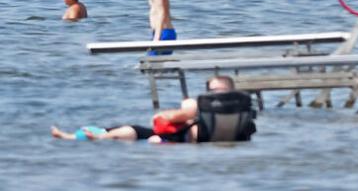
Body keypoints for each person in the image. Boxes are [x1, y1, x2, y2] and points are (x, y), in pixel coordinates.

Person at [50, 74, 253, 143]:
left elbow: (173, 117)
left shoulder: (201, 103)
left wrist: (165, 113)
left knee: (135, 130)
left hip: (182, 139)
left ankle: (97, 137)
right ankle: (97, 136)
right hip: (205, 139)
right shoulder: (241, 108)